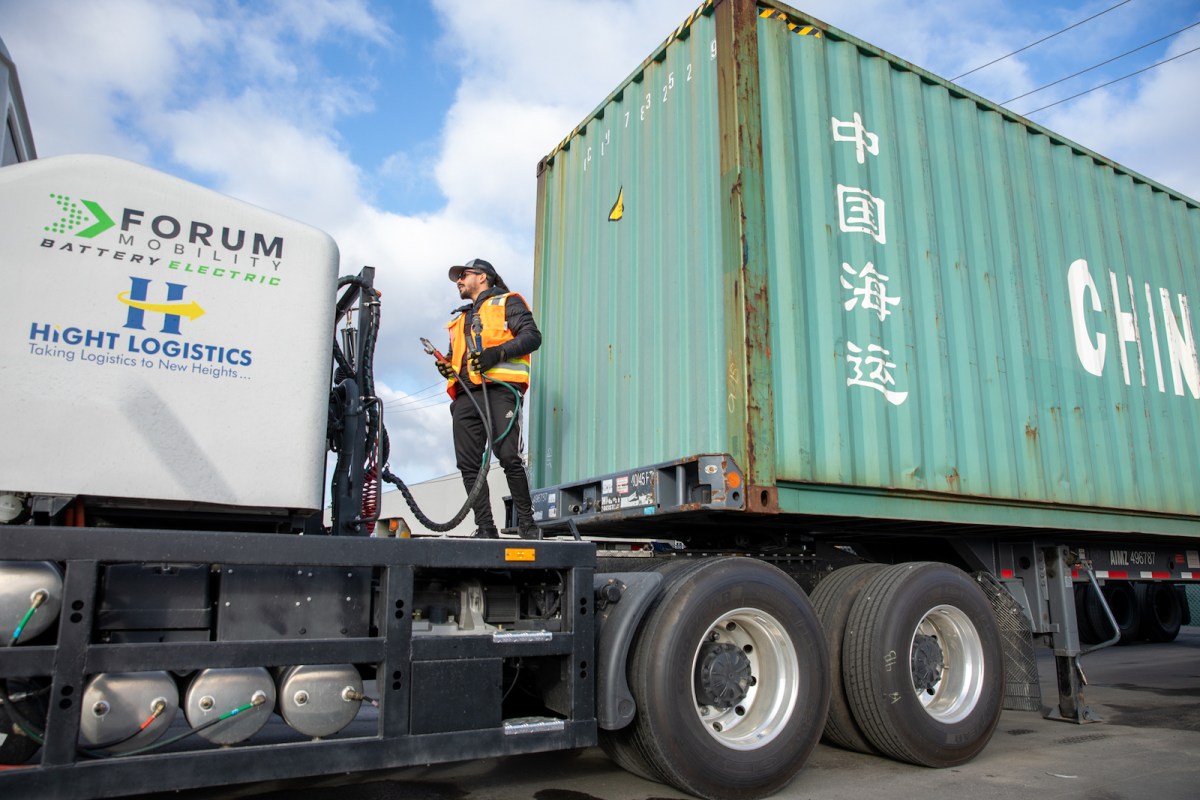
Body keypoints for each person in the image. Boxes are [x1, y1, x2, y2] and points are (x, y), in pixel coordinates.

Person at [437, 258, 542, 539]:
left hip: (499, 390)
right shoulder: (459, 319)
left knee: (508, 455)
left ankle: (528, 525)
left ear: (483, 277)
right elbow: (454, 358)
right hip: (465, 396)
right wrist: (446, 365)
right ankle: (485, 528)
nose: (458, 280)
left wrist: (497, 354)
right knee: (469, 465)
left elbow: (532, 337)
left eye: (463, 275)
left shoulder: (508, 302)